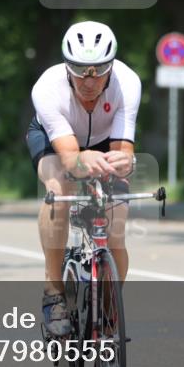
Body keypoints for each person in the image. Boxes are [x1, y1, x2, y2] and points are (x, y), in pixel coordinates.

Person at [25, 21, 141, 337]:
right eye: (79, 70)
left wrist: (124, 164)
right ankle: (53, 292)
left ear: (111, 66)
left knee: (116, 221)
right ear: (66, 65)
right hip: (55, 142)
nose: (89, 81)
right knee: (59, 189)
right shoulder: (47, 88)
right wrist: (80, 161)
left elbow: (123, 151)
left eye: (99, 70)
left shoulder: (127, 83)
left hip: (103, 141)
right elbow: (70, 160)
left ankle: (110, 307)